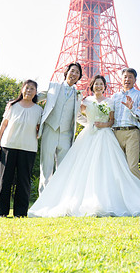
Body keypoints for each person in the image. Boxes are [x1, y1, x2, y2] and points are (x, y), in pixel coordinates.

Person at [28, 75, 140, 217]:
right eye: (96, 84)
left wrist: (102, 125)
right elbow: (77, 114)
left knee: (113, 168)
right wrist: (89, 124)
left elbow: (111, 121)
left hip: (105, 136)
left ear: (105, 87)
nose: (99, 86)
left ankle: (126, 200)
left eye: (101, 84)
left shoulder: (111, 101)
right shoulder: (85, 100)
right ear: (92, 86)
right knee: (81, 168)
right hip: (88, 136)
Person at [0, 80, 43, 217]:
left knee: (24, 182)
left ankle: (20, 213)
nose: (29, 91)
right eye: (27, 88)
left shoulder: (39, 110)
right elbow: (3, 125)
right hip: (8, 146)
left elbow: (39, 129)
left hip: (28, 149)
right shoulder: (12, 106)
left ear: (35, 92)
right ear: (22, 90)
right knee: (5, 181)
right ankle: (2, 212)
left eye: (32, 89)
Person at [37, 62, 83, 193]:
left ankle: (58, 200)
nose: (74, 74)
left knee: (63, 170)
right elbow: (37, 97)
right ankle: (43, 200)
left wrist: (92, 124)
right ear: (66, 72)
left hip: (66, 134)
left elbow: (77, 115)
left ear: (79, 77)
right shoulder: (54, 86)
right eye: (72, 71)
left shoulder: (78, 95)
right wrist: (18, 102)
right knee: (46, 167)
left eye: (77, 73)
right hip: (50, 129)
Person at [111, 68, 140, 182]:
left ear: (135, 80)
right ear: (121, 79)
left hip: (132, 132)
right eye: (125, 77)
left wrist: (132, 109)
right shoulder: (114, 96)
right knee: (117, 167)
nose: (127, 79)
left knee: (132, 167)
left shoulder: (139, 95)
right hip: (115, 133)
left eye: (130, 77)